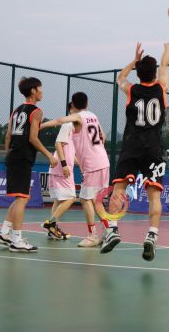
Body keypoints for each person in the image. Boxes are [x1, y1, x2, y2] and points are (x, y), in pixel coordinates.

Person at [104, 42, 169, 261]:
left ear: (138, 73)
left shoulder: (131, 90)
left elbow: (120, 77)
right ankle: (152, 235)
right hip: (153, 147)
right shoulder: (161, 88)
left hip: (132, 145)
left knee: (119, 188)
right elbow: (165, 65)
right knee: (154, 195)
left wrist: (133, 61)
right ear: (154, 74)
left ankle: (113, 229)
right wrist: (167, 49)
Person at [41, 92, 114, 248]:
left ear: (73, 105)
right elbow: (103, 136)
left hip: (93, 164)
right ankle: (109, 231)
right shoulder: (93, 116)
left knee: (85, 199)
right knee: (96, 200)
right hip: (103, 161)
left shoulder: (77, 118)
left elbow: (60, 120)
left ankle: (93, 235)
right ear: (87, 103)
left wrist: (41, 125)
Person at [0, 77, 58, 253]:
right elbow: (33, 138)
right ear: (33, 91)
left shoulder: (16, 111)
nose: (42, 91)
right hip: (22, 158)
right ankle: (16, 240)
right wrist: (49, 155)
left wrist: (9, 154)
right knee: (22, 199)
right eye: (40, 88)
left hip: (13, 156)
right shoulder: (36, 111)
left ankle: (4, 232)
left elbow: (8, 136)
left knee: (20, 198)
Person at [41, 102, 78, 242]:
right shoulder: (68, 124)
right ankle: (51, 223)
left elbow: (71, 154)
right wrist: (64, 165)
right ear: (71, 110)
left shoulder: (75, 129)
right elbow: (58, 144)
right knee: (71, 198)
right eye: (76, 108)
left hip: (61, 168)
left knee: (58, 200)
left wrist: (83, 165)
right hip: (62, 168)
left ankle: (52, 230)